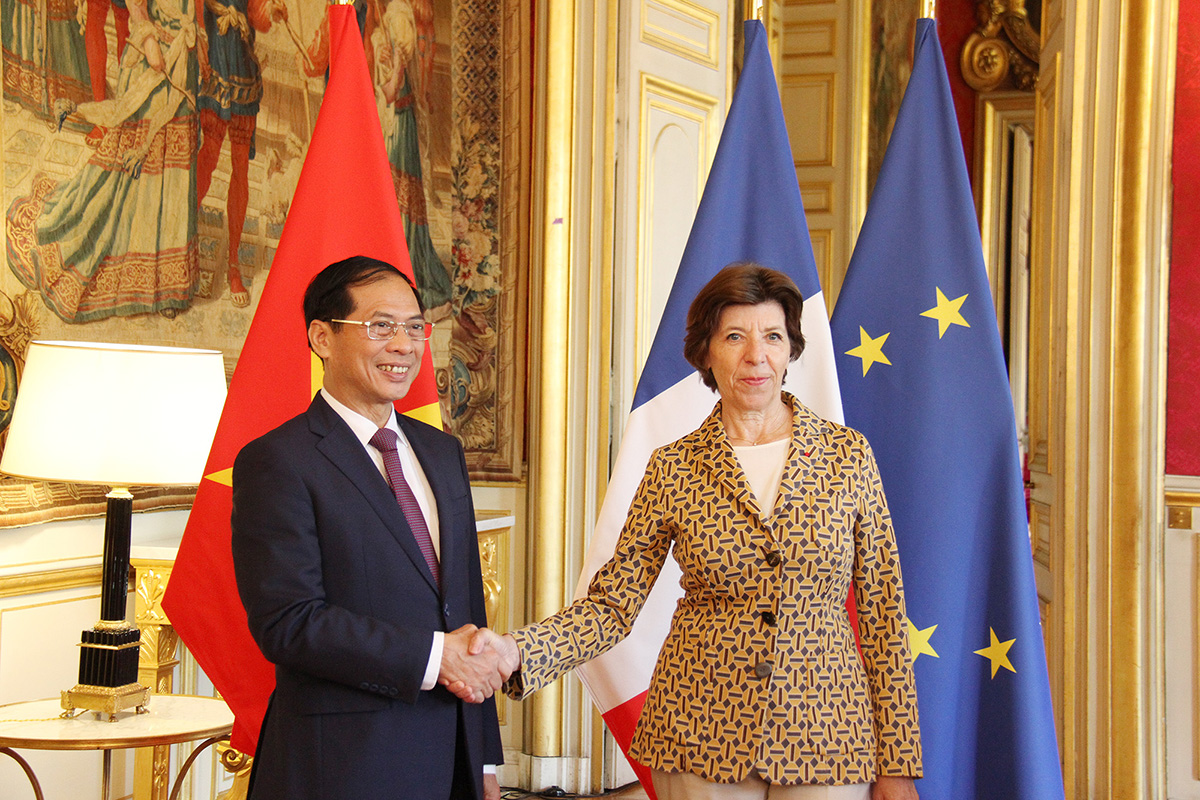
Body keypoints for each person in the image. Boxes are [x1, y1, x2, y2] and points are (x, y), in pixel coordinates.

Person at [468, 263, 923, 799]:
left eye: (773, 337)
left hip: (828, 730)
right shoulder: (673, 466)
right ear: (706, 352)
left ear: (791, 350)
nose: (756, 356)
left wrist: (898, 760)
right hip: (697, 727)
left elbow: (883, 613)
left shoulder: (848, 455)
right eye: (735, 337)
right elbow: (612, 606)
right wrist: (517, 650)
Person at [231, 255, 506, 799]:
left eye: (414, 328)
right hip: (343, 765)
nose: (403, 345)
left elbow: (466, 612)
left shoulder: (442, 452)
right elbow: (288, 622)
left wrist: (485, 761)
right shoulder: (278, 461)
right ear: (322, 337)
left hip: (451, 756)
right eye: (381, 326)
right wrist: (434, 657)